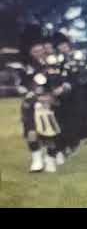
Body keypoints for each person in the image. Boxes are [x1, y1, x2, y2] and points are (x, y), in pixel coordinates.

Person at [10, 24, 71, 173]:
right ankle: (37, 160)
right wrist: (30, 94)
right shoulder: (23, 68)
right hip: (31, 105)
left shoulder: (52, 64)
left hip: (49, 105)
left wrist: (58, 91)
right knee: (32, 133)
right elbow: (19, 87)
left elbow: (63, 83)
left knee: (49, 136)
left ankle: (50, 159)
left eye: (40, 49)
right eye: (34, 50)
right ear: (29, 51)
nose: (38, 52)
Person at [52, 31, 87, 159]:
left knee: (76, 122)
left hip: (78, 97)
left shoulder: (79, 57)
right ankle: (61, 147)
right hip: (62, 98)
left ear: (69, 44)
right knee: (61, 122)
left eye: (64, 45)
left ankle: (73, 144)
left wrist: (70, 85)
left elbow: (86, 76)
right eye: (59, 46)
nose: (62, 48)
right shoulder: (57, 60)